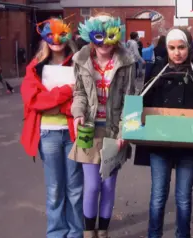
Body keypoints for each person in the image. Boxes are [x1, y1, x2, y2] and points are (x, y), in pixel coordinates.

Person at [134, 28, 193, 238]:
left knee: (183, 197)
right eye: (172, 48)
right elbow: (143, 98)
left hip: (188, 143)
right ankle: (154, 235)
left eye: (181, 47)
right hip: (159, 143)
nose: (177, 52)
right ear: (166, 48)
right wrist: (132, 115)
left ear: (189, 46)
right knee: (158, 196)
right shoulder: (157, 69)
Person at [69, 13, 136, 238]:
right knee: (92, 186)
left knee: (108, 186)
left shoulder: (127, 62)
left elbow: (130, 98)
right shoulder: (80, 60)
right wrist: (78, 112)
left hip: (114, 131)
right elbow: (78, 92)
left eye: (110, 36)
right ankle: (89, 233)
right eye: (99, 36)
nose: (105, 43)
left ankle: (103, 231)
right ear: (90, 35)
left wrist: (125, 130)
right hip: (89, 129)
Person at [20, 18, 83, 238]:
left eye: (61, 34)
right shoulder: (34, 67)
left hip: (73, 133)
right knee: (55, 189)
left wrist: (54, 102)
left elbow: (82, 99)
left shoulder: (79, 63)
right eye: (51, 34)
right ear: (44, 37)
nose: (56, 39)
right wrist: (66, 91)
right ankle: (57, 233)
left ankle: (75, 233)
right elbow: (34, 101)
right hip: (48, 134)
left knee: (75, 189)